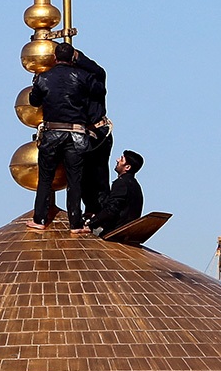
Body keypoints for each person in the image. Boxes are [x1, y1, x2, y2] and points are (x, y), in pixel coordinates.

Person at [27, 41, 105, 232]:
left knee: (45, 178)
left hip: (52, 133)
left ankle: (40, 219)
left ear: (54, 57)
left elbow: (34, 101)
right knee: (75, 180)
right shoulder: (83, 77)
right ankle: (75, 223)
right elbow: (99, 88)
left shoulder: (44, 78)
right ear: (72, 58)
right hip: (77, 134)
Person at [72, 49, 112, 221]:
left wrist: (77, 57)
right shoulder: (74, 82)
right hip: (84, 132)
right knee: (82, 176)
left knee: (97, 176)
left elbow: (99, 71)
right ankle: (90, 209)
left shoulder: (93, 82)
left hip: (97, 132)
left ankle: (99, 211)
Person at [86, 150, 144, 237]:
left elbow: (111, 210)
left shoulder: (121, 183)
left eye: (121, 159)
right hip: (127, 233)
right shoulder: (136, 186)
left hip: (115, 233)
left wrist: (91, 223)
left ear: (127, 167)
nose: (117, 160)